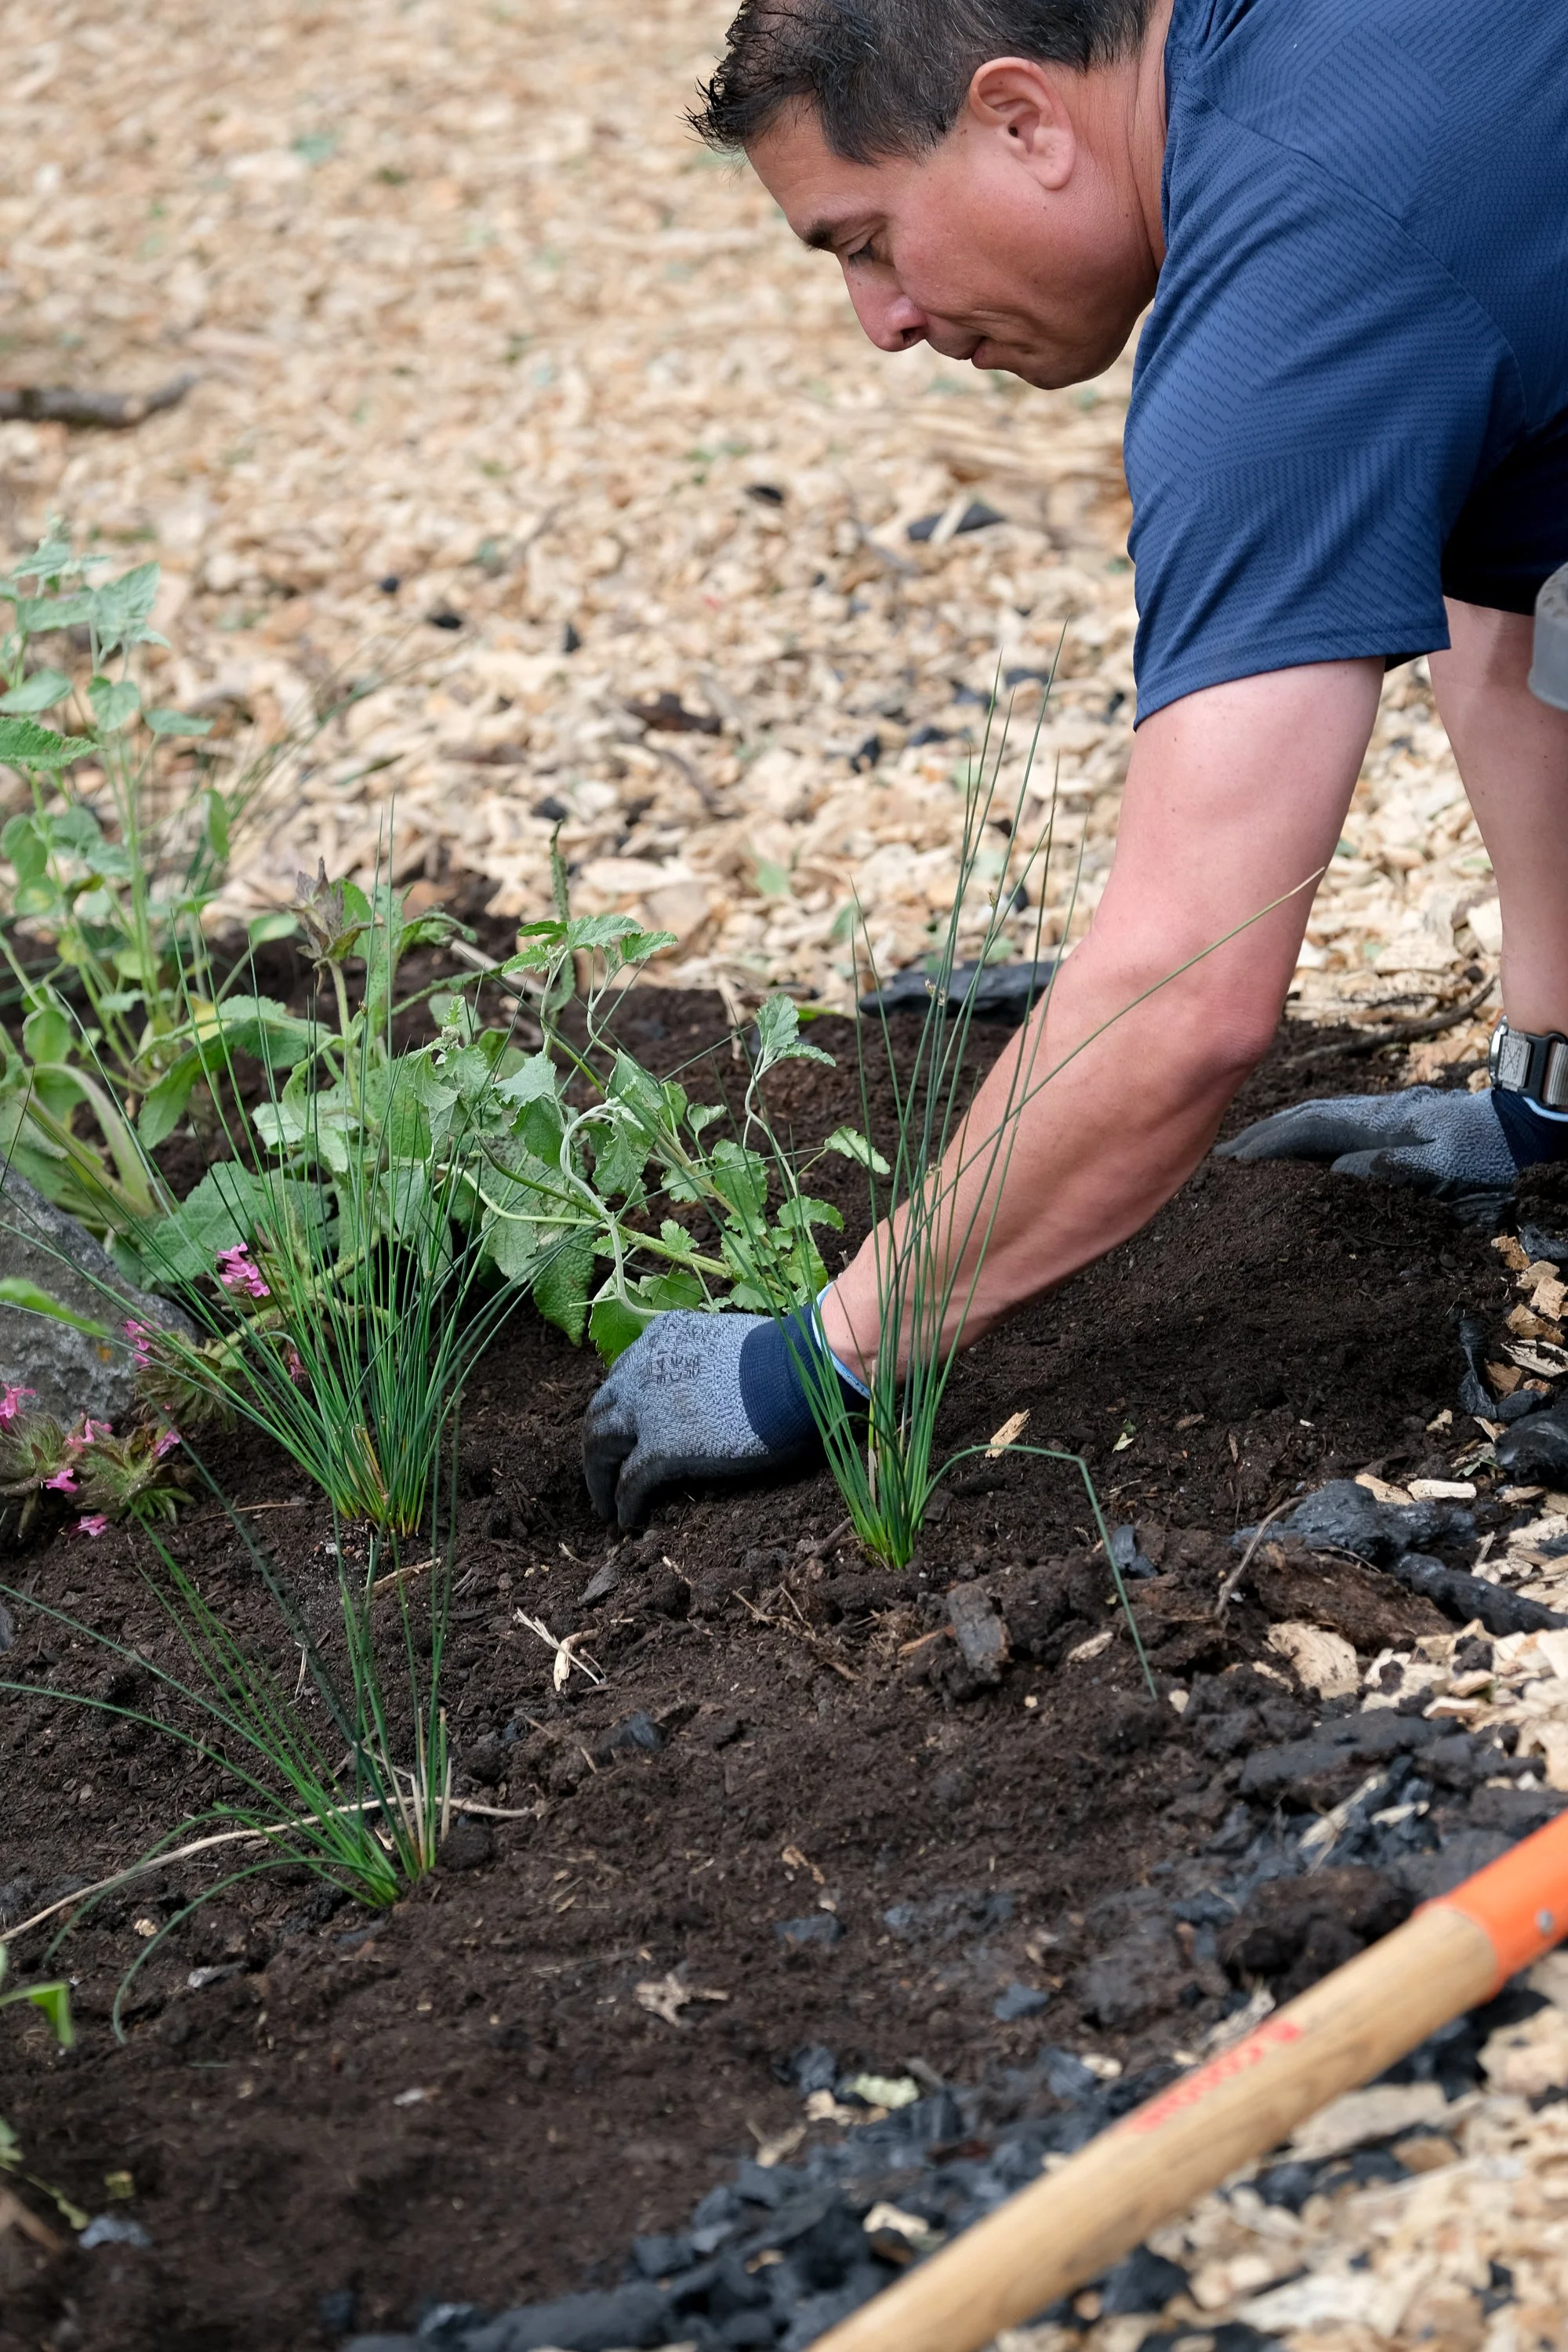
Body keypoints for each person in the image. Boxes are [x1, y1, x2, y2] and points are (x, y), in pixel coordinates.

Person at [581, 0, 1568, 1531]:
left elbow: (1190, 991)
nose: (881, 320)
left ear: (1022, 120)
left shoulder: (1292, 310)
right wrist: (1548, 1080)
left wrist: (815, 1362)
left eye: (865, 240)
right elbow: (1507, 559)